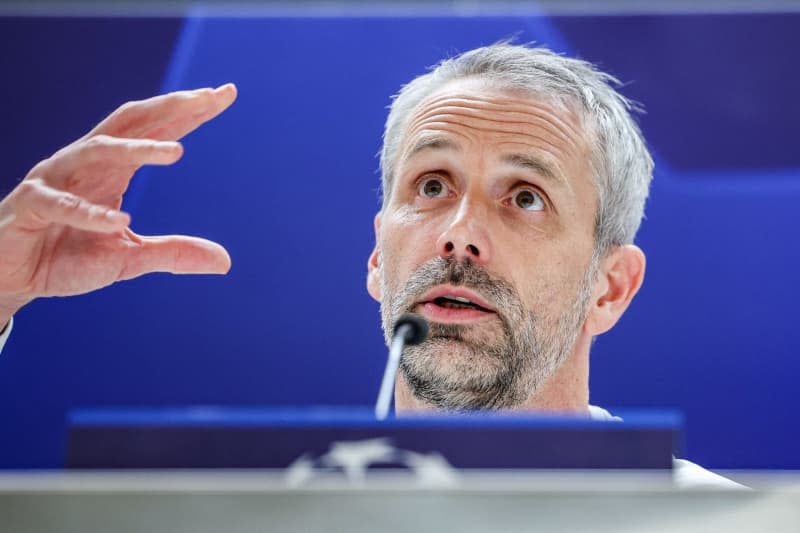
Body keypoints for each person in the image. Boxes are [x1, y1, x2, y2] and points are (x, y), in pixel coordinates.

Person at [0, 44, 741, 488]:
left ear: (610, 288)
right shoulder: (238, 517)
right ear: (378, 260)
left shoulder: (724, 524)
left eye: (524, 196)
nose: (459, 236)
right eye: (431, 185)